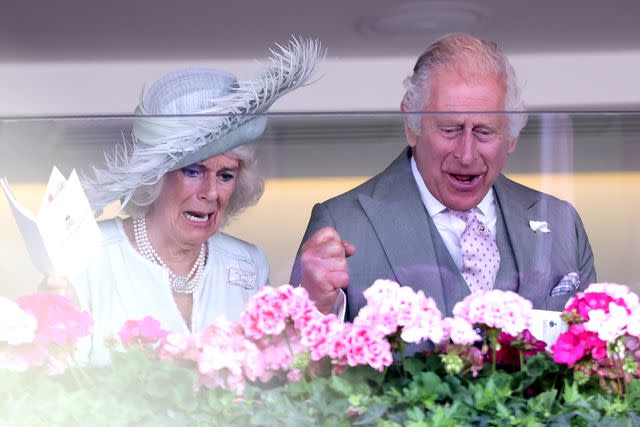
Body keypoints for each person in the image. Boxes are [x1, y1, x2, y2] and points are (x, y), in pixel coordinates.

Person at [43, 38, 322, 363]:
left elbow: (271, 376)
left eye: (226, 175)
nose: (211, 192)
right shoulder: (88, 254)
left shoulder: (247, 263)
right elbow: (58, 388)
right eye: (193, 171)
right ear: (155, 178)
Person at [291, 33, 596, 321]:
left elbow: (594, 362)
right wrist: (315, 305)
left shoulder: (561, 222)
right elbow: (296, 362)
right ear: (412, 125)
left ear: (511, 136)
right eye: (450, 129)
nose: (466, 154)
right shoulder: (341, 223)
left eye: (484, 131)